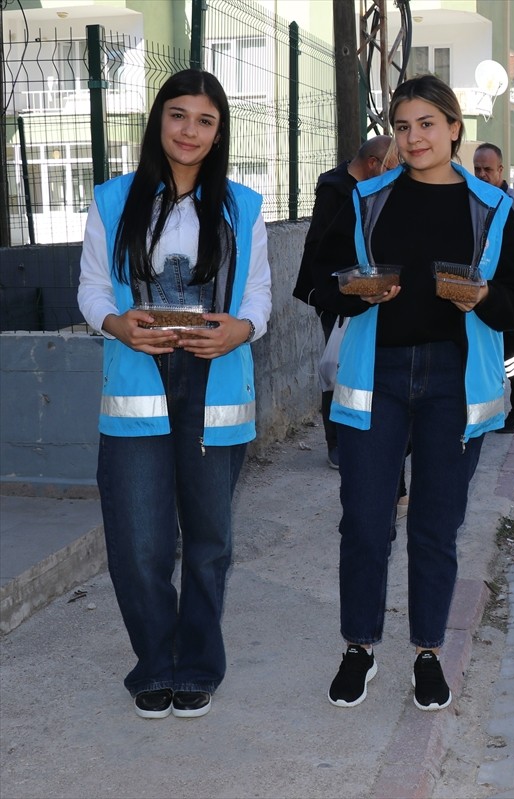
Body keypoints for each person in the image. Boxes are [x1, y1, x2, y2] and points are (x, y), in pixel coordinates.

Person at [308, 75, 514, 711]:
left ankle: (428, 652)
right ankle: (359, 646)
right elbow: (319, 280)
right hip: (373, 375)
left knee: (436, 526)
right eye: (403, 127)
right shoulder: (365, 200)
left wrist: (482, 297)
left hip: (453, 381)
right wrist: (354, 291)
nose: (414, 138)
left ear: (454, 128)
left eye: (427, 125)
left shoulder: (491, 207)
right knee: (364, 520)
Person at [76, 69, 272, 720]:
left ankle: (197, 665)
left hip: (215, 384)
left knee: (209, 540)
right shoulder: (111, 200)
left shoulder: (243, 206)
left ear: (219, 135)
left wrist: (240, 329)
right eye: (179, 115)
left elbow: (260, 298)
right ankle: (154, 664)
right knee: (139, 543)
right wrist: (115, 324)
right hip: (139, 382)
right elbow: (94, 289)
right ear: (159, 121)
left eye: (205, 120)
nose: (190, 131)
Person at [294, 134, 393, 470]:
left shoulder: (366, 188)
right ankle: (335, 442)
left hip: (369, 291)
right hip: (339, 294)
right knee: (336, 366)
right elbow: (323, 249)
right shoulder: (336, 190)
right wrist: (350, 285)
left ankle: (364, 433)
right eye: (389, 167)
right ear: (372, 163)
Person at [472, 142, 514, 434]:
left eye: (488, 169)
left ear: (500, 170)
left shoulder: (513, 203)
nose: (482, 175)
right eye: (477, 169)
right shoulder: (473, 200)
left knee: (512, 356)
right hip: (478, 296)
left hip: (506, 294)